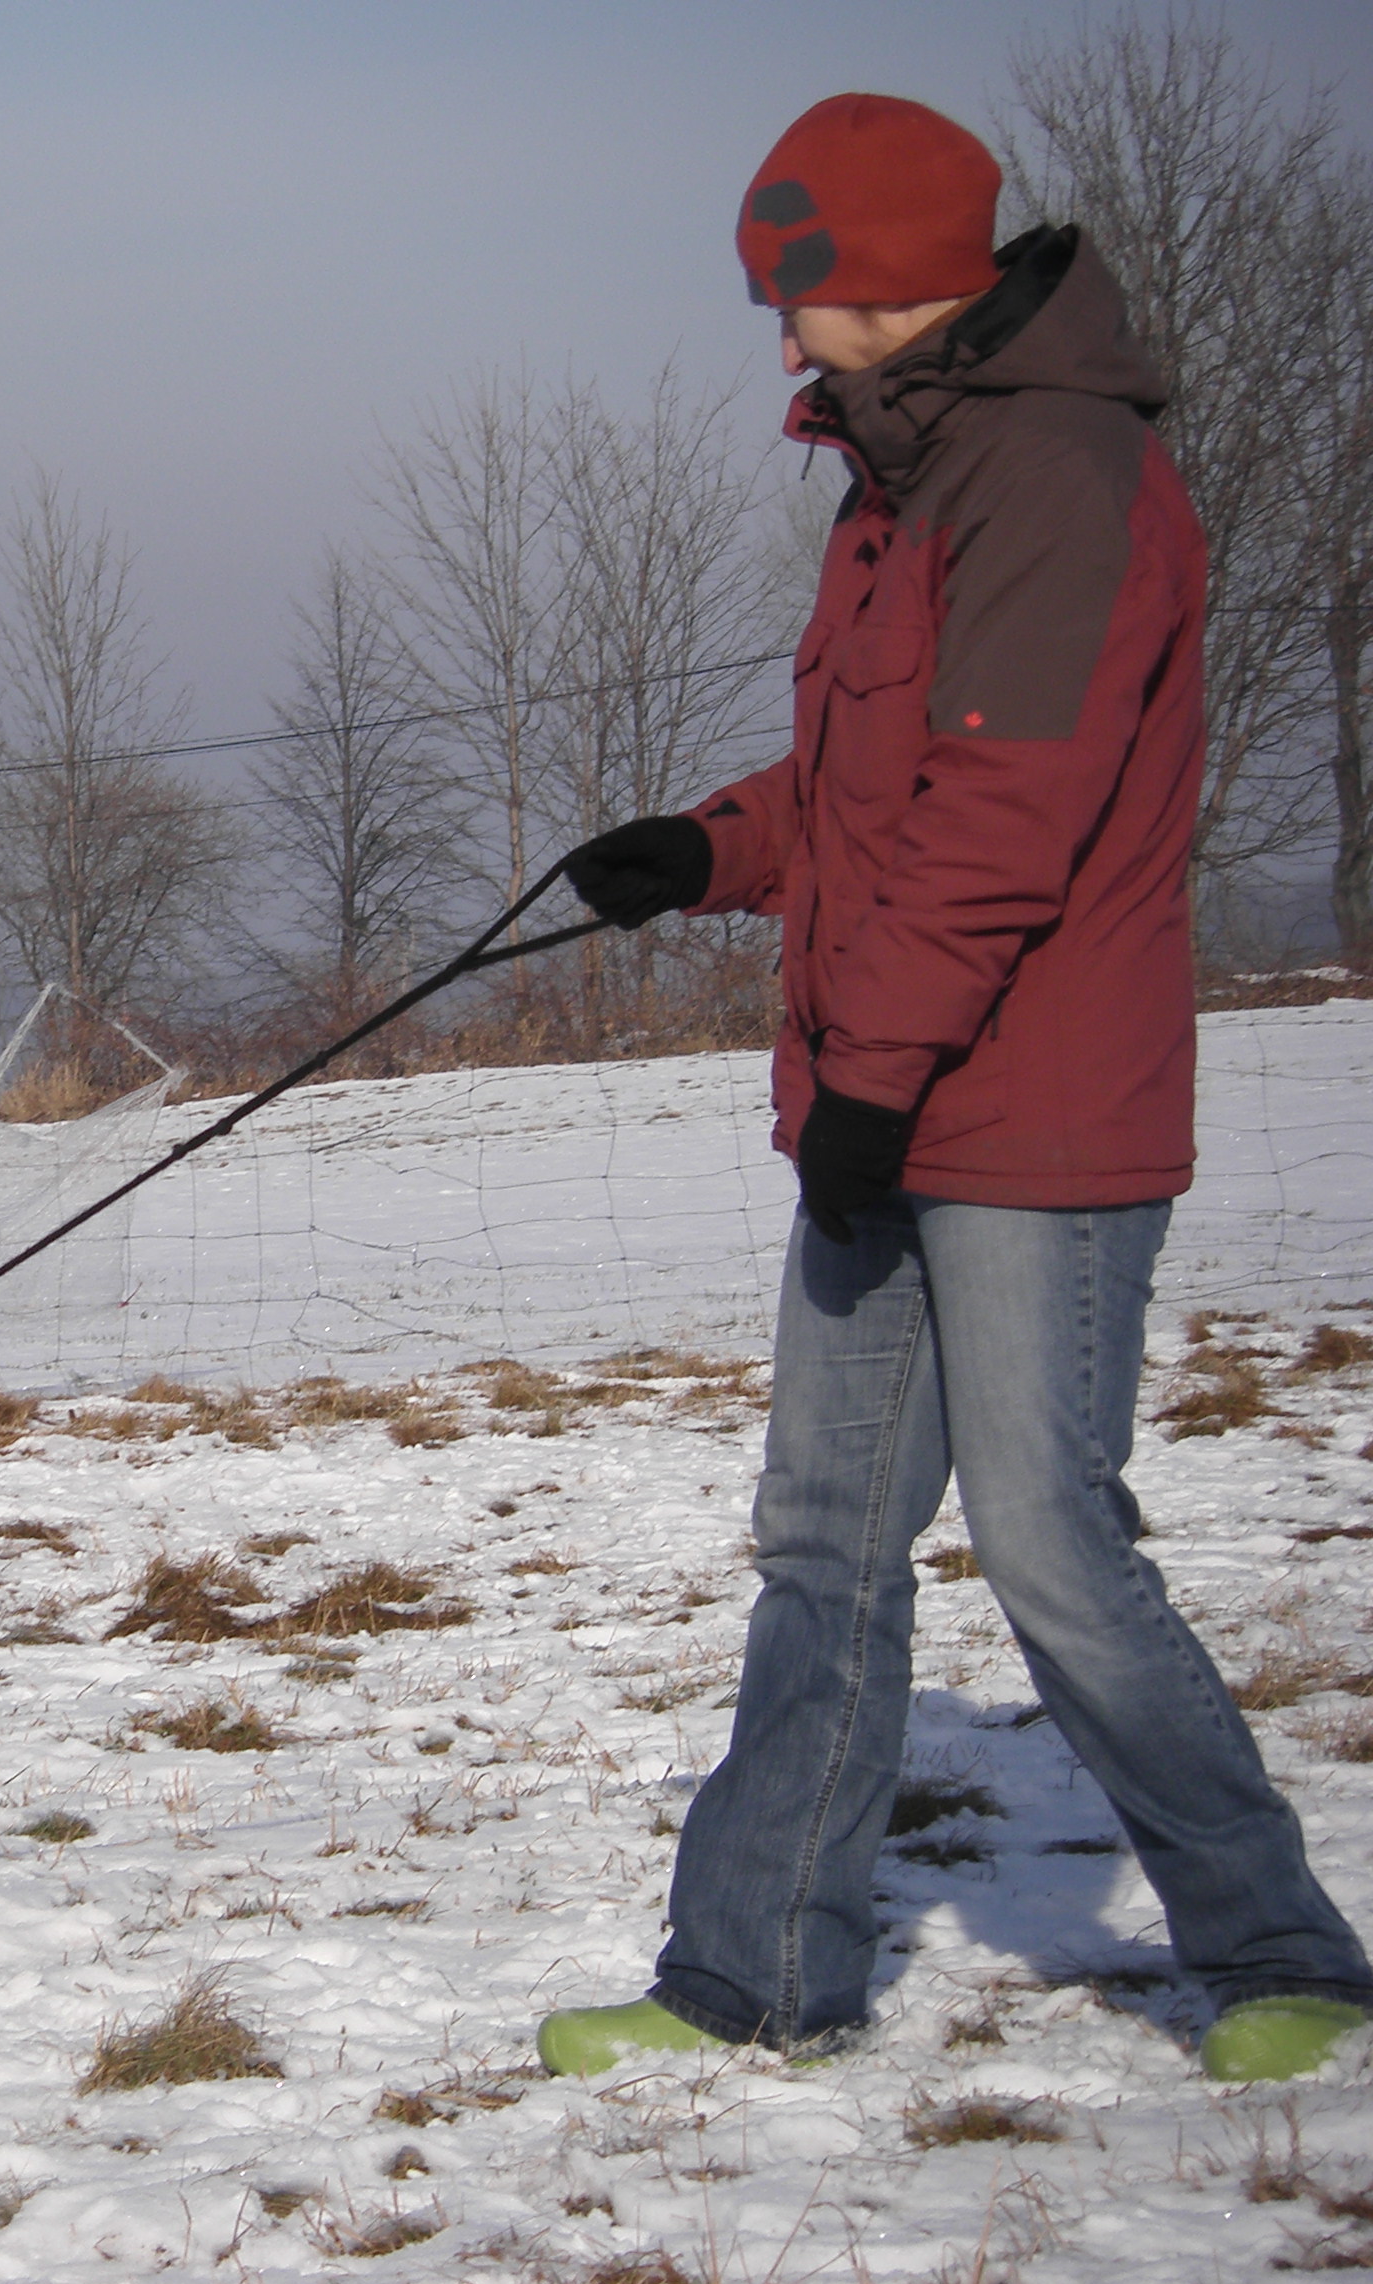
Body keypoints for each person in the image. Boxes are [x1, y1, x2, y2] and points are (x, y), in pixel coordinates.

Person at [540, 92, 1373, 2086]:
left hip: (1030, 1114)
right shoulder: (906, 471)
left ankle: (1284, 1956)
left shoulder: (1058, 474)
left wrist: (876, 1079)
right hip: (896, 1094)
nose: (776, 336)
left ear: (894, 276)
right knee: (822, 1546)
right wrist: (709, 845)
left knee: (1054, 1546)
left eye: (794, 290)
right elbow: (869, 790)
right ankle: (755, 1976)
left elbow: (1007, 814)